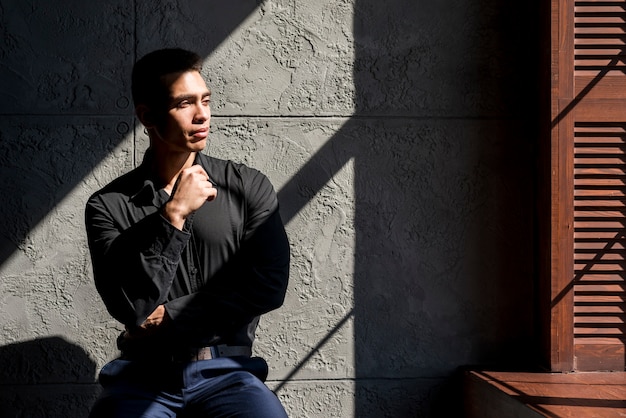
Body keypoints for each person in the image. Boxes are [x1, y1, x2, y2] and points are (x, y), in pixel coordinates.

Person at [85, 48, 290, 417]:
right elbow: (131, 307)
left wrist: (172, 315)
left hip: (228, 373)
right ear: (147, 116)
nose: (202, 115)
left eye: (206, 100)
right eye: (185, 104)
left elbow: (268, 285)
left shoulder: (247, 188)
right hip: (142, 376)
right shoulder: (107, 206)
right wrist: (173, 213)